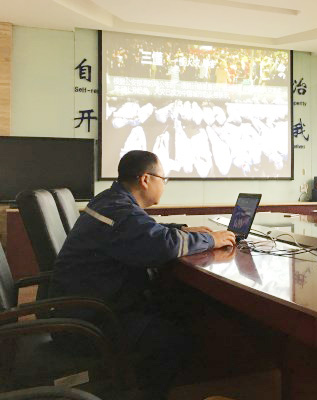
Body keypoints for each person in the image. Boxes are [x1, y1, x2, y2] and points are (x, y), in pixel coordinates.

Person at [49, 150, 236, 399]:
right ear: (145, 179)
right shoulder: (120, 211)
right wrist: (211, 239)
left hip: (83, 307)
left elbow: (143, 230)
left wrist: (182, 230)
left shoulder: (110, 201)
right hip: (89, 322)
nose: (164, 185)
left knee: (178, 305)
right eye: (163, 179)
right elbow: (162, 245)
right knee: (174, 338)